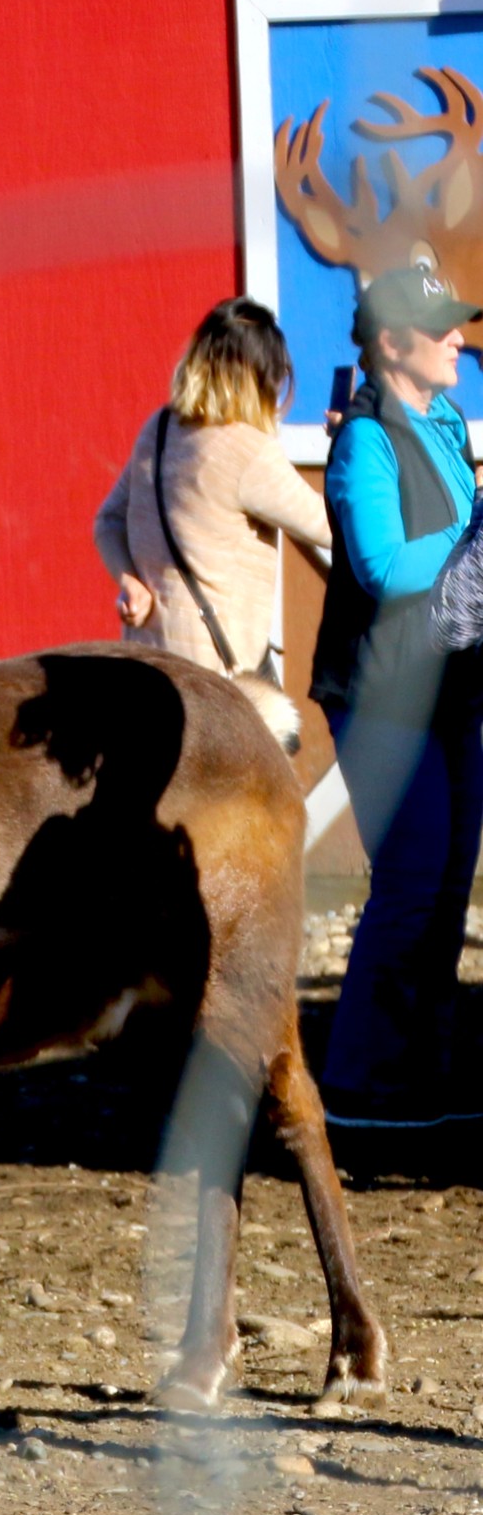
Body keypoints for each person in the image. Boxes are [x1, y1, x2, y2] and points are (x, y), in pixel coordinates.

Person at [308, 265, 483, 1134]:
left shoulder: (443, 425)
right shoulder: (364, 439)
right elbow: (382, 567)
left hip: (451, 688)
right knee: (412, 883)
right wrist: (473, 531)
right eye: (441, 325)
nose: (460, 336)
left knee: (448, 885)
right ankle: (353, 1084)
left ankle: (420, 1074)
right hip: (382, 694)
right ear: (390, 344)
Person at [93, 298, 330, 676]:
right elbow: (330, 527)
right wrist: (349, 442)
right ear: (262, 378)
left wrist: (129, 581)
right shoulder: (247, 451)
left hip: (146, 660)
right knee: (276, 736)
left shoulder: (160, 428)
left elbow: (108, 520)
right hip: (218, 675)